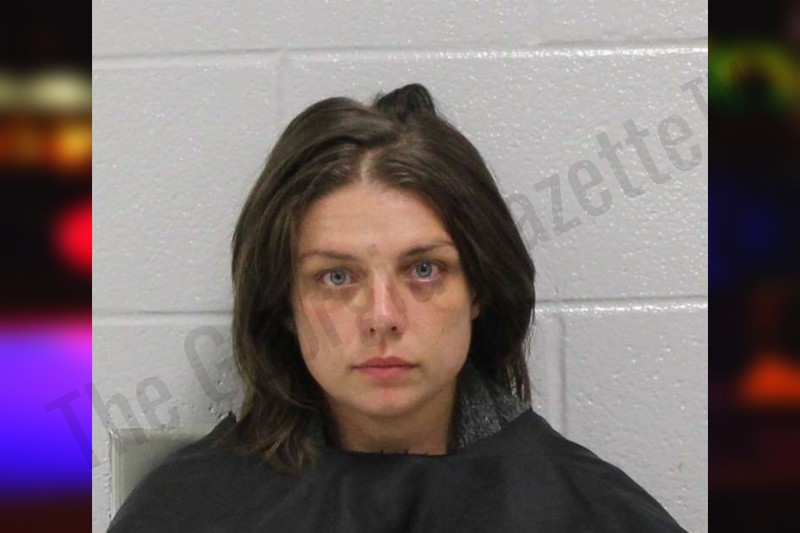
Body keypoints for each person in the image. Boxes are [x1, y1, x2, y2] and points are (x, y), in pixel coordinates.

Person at [107, 83, 688, 532]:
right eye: (337, 277)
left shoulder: (588, 514)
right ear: (284, 304)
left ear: (480, 288)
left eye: (424, 270)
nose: (381, 316)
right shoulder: (188, 512)